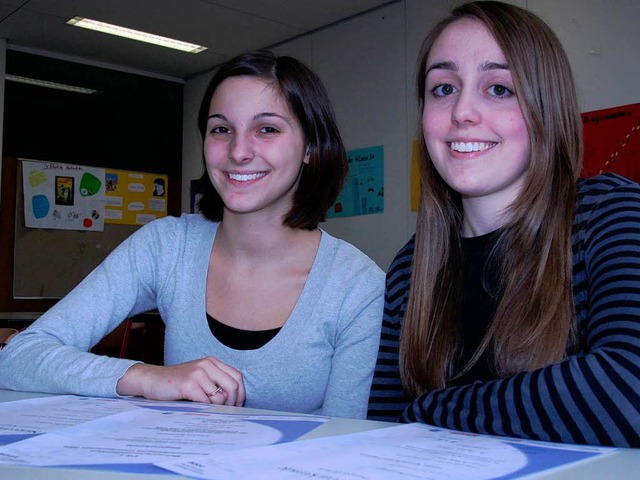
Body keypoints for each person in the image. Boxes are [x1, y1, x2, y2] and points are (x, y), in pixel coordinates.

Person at [0, 50, 384, 420]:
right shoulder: (167, 246)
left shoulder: (356, 286)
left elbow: (347, 438)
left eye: (266, 129)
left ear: (311, 148)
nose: (238, 150)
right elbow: (18, 358)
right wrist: (147, 377)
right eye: (221, 129)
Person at [368, 0, 640, 447]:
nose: (462, 112)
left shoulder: (610, 216)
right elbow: (381, 435)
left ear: (545, 108)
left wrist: (430, 411)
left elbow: (629, 390)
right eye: (442, 88)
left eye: (498, 88)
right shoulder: (409, 267)